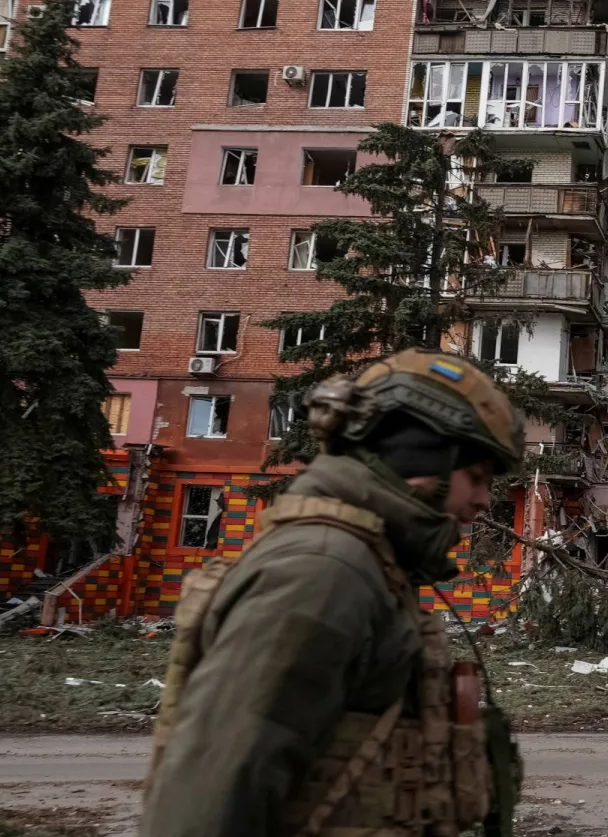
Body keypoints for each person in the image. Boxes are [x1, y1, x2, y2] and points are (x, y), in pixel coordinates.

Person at [142, 348, 525, 837]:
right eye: (475, 477)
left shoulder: (368, 563)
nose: (483, 500)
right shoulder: (323, 572)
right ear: (418, 461)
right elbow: (207, 803)